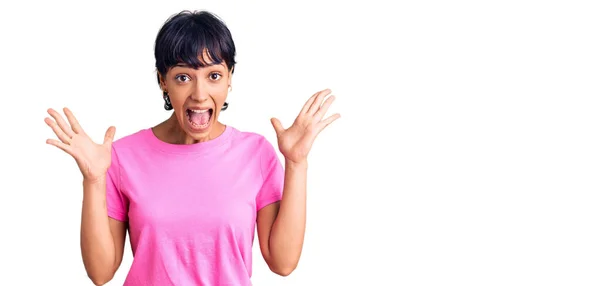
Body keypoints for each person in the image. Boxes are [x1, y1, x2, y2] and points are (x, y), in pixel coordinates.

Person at [43, 10, 340, 286]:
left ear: (229, 79)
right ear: (163, 81)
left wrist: (297, 164)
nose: (199, 94)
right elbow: (100, 272)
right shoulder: (121, 157)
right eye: (183, 77)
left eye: (213, 76)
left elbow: (283, 263)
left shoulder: (256, 153)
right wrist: (94, 180)